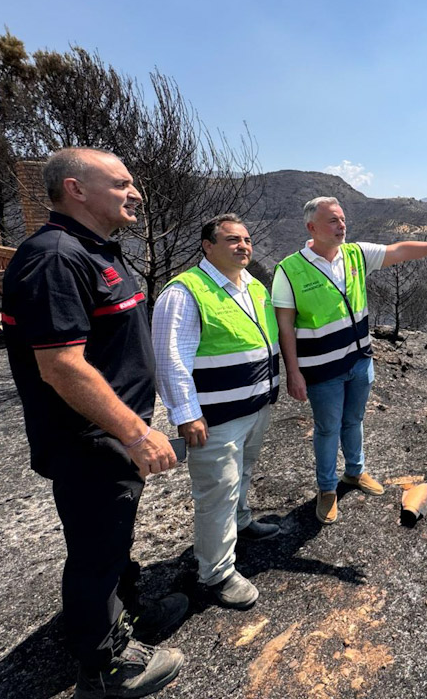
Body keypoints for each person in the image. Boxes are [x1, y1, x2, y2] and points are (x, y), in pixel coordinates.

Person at [2, 147, 185, 699]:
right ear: (76, 189)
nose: (135, 193)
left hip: (109, 437)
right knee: (95, 548)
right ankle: (105, 668)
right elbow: (60, 365)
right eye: (122, 183)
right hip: (90, 439)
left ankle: (118, 616)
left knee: (111, 537)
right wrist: (134, 430)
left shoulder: (95, 249)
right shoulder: (56, 257)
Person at [273, 196, 427, 524]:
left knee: (354, 421)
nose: (342, 226)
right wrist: (293, 372)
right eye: (333, 221)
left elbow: (400, 250)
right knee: (327, 429)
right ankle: (326, 489)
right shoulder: (289, 270)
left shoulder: (354, 255)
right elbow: (285, 327)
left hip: (359, 360)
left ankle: (355, 472)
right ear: (312, 227)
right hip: (322, 369)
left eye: (342, 219)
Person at [152, 214, 280, 611]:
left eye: (246, 239)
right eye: (231, 240)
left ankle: (242, 522)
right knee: (216, 494)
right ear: (208, 246)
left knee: (241, 474)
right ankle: (217, 573)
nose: (243, 246)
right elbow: (170, 359)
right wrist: (186, 414)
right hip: (216, 418)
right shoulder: (186, 291)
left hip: (255, 407)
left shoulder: (253, 286)